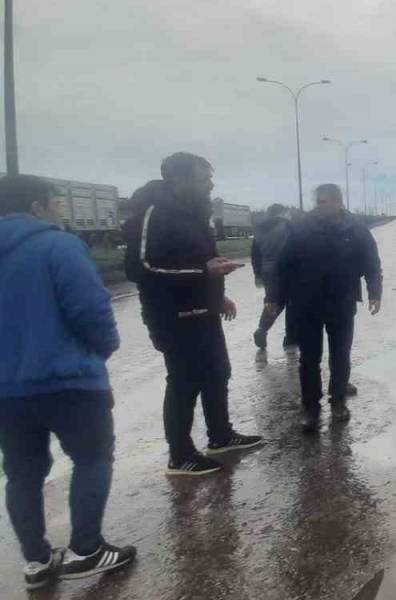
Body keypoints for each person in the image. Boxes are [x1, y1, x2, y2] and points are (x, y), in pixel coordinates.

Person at [0, 175, 136, 588]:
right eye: (57, 203)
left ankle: (38, 562)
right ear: (39, 206)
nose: (61, 211)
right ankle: (87, 548)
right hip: (70, 381)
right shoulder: (58, 245)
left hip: (7, 389)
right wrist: (105, 347)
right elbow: (90, 310)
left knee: (21, 472)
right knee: (92, 458)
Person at [123, 153, 263, 476]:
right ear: (179, 180)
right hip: (172, 314)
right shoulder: (155, 211)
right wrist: (203, 272)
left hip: (205, 309)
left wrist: (219, 295)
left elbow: (203, 261)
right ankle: (180, 454)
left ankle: (220, 435)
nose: (211, 185)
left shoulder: (197, 213)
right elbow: (139, 267)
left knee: (218, 371)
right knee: (184, 382)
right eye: (204, 179)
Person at [267, 185, 382, 432]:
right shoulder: (301, 229)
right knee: (309, 359)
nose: (320, 206)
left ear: (339, 203)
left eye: (325, 202)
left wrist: (375, 293)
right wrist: (273, 296)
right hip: (306, 304)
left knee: (340, 356)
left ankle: (338, 401)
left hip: (342, 302)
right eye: (317, 202)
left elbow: (371, 262)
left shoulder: (356, 229)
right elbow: (283, 265)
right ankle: (310, 407)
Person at [251, 203, 295, 349]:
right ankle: (290, 338)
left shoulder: (259, 230)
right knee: (292, 302)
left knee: (272, 301)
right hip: (286, 270)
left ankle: (262, 329)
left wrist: (257, 273)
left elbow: (255, 254)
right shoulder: (287, 226)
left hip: (267, 271)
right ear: (282, 213)